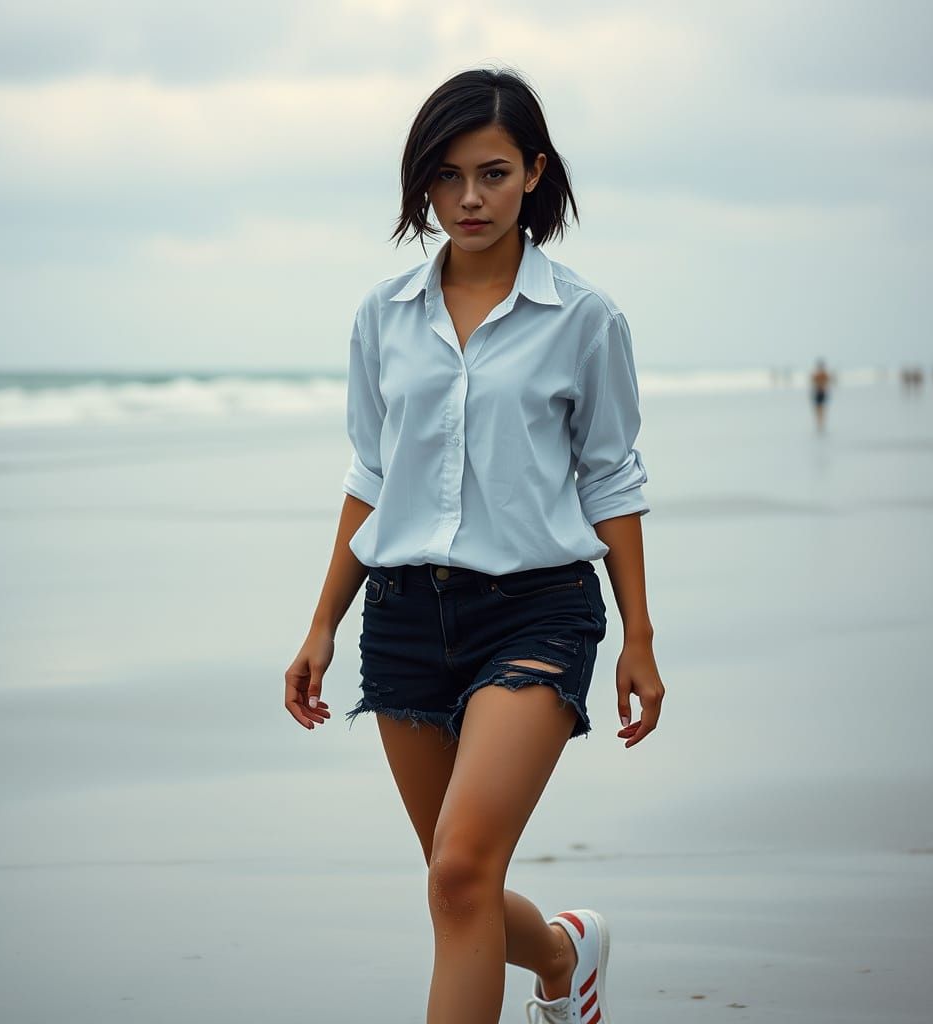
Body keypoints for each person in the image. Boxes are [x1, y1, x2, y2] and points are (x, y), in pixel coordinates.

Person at [284, 66, 666, 1024]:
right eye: (447, 176)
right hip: (404, 616)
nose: (469, 198)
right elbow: (373, 476)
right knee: (459, 886)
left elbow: (611, 479)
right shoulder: (383, 315)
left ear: (534, 172)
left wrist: (640, 635)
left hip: (537, 610)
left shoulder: (585, 319)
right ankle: (565, 954)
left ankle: (563, 957)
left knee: (460, 871)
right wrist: (323, 623)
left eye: (492, 173)